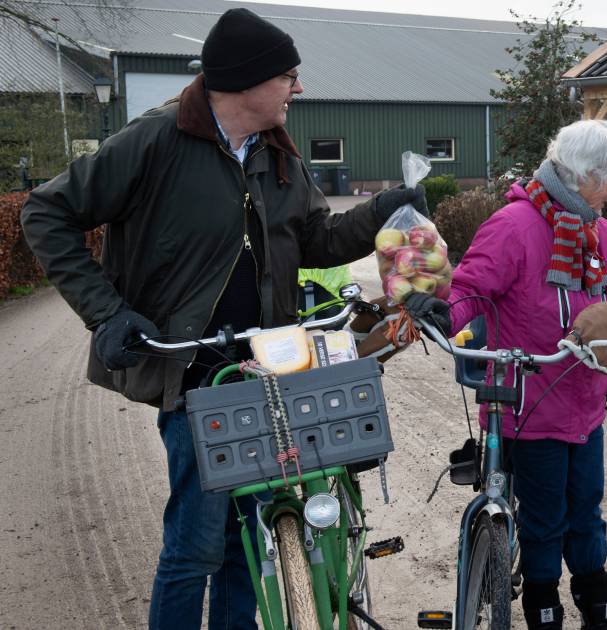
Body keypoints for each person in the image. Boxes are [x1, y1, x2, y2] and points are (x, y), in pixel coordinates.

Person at [20, 8, 424, 629]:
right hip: (195, 378)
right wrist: (106, 312)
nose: (299, 87)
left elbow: (314, 240)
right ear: (245, 81)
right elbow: (46, 213)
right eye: (289, 75)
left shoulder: (278, 154)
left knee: (252, 542)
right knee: (195, 549)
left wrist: (383, 213)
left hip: (270, 371)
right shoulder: (153, 141)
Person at [408, 119, 607, 630]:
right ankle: (541, 606)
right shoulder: (514, 225)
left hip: (586, 398)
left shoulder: (597, 230)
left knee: (586, 511)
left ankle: (596, 604)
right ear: (584, 176)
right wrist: (443, 316)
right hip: (530, 401)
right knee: (545, 520)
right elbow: (471, 287)